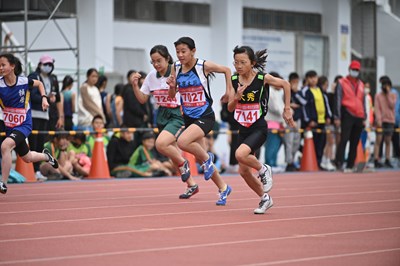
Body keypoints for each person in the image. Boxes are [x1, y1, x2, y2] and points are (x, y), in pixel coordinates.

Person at [227, 46, 294, 214]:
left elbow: (285, 84)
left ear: (253, 63)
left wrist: (287, 108)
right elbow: (229, 107)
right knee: (243, 171)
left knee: (240, 155)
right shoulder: (234, 79)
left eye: (243, 62)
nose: (239, 66)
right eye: (236, 62)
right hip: (243, 128)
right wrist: (236, 98)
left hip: (258, 127)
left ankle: (264, 169)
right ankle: (265, 199)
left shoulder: (262, 78)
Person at [167, 36, 233, 206]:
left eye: (184, 51)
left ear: (193, 51)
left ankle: (208, 158)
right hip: (189, 116)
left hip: (205, 116)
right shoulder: (175, 67)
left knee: (182, 141)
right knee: (202, 161)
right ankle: (223, 187)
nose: (180, 55)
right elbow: (172, 96)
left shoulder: (203, 66)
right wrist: (172, 86)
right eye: (177, 52)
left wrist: (228, 92)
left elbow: (226, 70)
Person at [131, 44, 199, 199]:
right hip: (162, 114)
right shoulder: (151, 76)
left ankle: (184, 163)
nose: (156, 64)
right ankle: (192, 185)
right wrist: (135, 86)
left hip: (177, 113)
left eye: (159, 60)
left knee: (161, 145)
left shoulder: (177, 72)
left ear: (167, 58)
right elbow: (142, 99)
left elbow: (176, 94)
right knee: (172, 154)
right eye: (153, 61)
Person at [0, 53, 59, 194]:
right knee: (27, 158)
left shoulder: (24, 82)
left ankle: (3, 182)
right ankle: (47, 156)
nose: (0, 68)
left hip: (24, 124)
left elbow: (39, 84)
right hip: (10, 126)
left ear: (12, 66)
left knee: (5, 146)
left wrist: (44, 98)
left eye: (3, 65)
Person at [28, 55, 64, 178]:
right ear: (39, 64)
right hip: (33, 114)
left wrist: (60, 116)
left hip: (46, 115)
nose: (48, 67)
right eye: (45, 64)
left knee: (40, 143)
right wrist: (46, 98)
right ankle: (32, 170)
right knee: (33, 142)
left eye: (50, 64)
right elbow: (32, 96)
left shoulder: (52, 79)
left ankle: (37, 170)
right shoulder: (34, 76)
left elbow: (58, 97)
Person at [333, 60, 365, 172]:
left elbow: (363, 101)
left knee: (355, 142)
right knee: (344, 139)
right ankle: (339, 162)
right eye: (353, 69)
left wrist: (364, 116)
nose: (355, 71)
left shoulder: (361, 84)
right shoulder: (342, 82)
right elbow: (337, 100)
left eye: (357, 70)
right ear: (349, 69)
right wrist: (337, 117)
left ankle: (350, 165)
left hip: (359, 115)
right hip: (347, 113)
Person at [301, 71, 332, 170]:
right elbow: (304, 107)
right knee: (312, 144)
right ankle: (311, 163)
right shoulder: (305, 91)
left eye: (314, 77)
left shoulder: (320, 90)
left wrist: (328, 116)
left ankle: (318, 163)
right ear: (307, 79)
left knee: (321, 143)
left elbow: (326, 103)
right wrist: (308, 120)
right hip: (312, 122)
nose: (313, 80)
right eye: (310, 78)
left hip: (322, 121)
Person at [373, 76, 397, 168]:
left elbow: (392, 105)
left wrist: (387, 94)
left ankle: (387, 159)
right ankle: (376, 159)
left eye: (386, 85)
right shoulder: (378, 96)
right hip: (381, 121)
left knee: (388, 141)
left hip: (390, 120)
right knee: (378, 140)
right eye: (383, 85)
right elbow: (377, 108)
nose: (384, 87)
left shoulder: (393, 95)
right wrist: (378, 120)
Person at [264, 72, 285, 171]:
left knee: (276, 145)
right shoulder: (270, 91)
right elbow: (275, 108)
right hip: (271, 123)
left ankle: (274, 163)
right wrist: (285, 112)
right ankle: (269, 164)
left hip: (278, 123)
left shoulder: (277, 93)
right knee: (271, 145)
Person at [284, 72, 302, 172]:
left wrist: (296, 92)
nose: (296, 84)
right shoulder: (286, 90)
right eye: (294, 82)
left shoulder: (299, 92)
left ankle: (293, 159)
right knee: (289, 142)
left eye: (297, 82)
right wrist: (291, 104)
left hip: (298, 119)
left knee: (297, 142)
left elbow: (302, 102)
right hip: (289, 119)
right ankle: (289, 162)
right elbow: (285, 103)